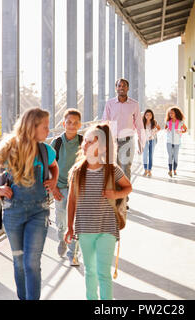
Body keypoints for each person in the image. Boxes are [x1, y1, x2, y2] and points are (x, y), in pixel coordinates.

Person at [0, 107, 60, 300]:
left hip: (39, 212)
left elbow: (54, 167)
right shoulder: (7, 149)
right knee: (20, 262)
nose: (48, 131)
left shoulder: (46, 150)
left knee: (32, 262)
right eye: (45, 127)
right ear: (32, 127)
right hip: (13, 213)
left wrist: (54, 181)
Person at [64, 124, 132, 300]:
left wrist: (116, 193)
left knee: (103, 272)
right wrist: (69, 227)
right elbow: (71, 201)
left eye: (90, 141)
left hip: (107, 229)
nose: (85, 144)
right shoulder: (77, 171)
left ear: (102, 147)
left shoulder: (112, 169)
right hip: (85, 229)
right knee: (90, 271)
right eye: (85, 141)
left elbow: (128, 187)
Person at [102, 78, 145, 196]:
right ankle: (115, 196)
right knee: (113, 169)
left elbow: (139, 124)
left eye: (124, 86)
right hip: (112, 141)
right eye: (119, 86)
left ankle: (124, 198)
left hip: (128, 141)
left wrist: (142, 141)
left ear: (128, 88)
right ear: (116, 88)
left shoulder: (134, 104)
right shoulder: (109, 103)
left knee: (126, 168)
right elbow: (105, 121)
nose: (121, 88)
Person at [50, 108, 82, 266]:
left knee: (75, 219)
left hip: (77, 186)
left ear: (80, 125)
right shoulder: (57, 142)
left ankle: (73, 253)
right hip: (60, 185)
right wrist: (53, 187)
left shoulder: (84, 142)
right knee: (61, 218)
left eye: (75, 123)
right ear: (63, 123)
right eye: (69, 122)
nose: (72, 125)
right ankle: (62, 237)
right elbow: (49, 166)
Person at [164, 106, 187, 177]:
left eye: (172, 113)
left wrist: (180, 131)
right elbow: (165, 129)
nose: (171, 115)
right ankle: (170, 170)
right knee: (170, 156)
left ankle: (175, 170)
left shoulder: (180, 122)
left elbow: (185, 130)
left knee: (175, 156)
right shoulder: (168, 122)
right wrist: (167, 130)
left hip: (177, 142)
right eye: (170, 113)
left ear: (176, 114)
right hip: (169, 142)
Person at [142, 109, 161, 177]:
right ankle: (145, 170)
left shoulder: (154, 122)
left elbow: (159, 128)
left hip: (152, 140)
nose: (148, 116)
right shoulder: (142, 122)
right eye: (147, 115)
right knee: (144, 155)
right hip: (145, 140)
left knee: (150, 155)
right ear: (144, 115)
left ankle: (149, 170)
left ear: (152, 115)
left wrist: (154, 132)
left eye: (150, 115)